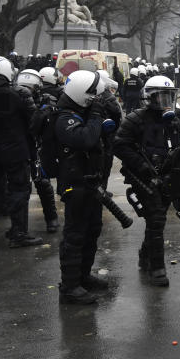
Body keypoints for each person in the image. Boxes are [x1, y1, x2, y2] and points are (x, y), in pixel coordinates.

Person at [113, 75, 180, 287]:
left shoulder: (179, 115)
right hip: (144, 176)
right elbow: (120, 145)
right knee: (156, 219)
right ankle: (157, 268)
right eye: (161, 97)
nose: (166, 101)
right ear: (150, 97)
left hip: (169, 175)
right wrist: (140, 165)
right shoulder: (136, 118)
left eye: (170, 96)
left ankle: (145, 254)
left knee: (157, 220)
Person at [54, 70, 116, 303]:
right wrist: (96, 115)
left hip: (90, 183)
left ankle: (83, 276)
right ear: (83, 94)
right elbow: (86, 139)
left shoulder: (83, 110)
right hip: (75, 185)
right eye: (93, 97)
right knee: (75, 235)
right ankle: (69, 286)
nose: (96, 101)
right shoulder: (65, 117)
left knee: (92, 230)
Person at [0, 56, 42, 249]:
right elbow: (34, 122)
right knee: (19, 190)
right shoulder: (20, 94)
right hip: (15, 150)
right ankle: (18, 233)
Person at [16, 69, 61, 233]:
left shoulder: (44, 101)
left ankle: (51, 219)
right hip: (21, 147)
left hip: (33, 147)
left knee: (41, 183)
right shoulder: (15, 100)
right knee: (21, 187)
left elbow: (45, 126)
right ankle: (20, 225)